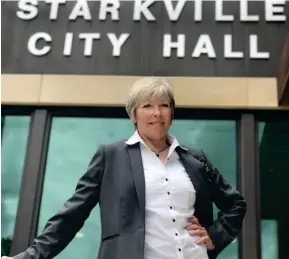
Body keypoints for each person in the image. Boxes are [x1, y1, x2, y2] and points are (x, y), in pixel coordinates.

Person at [3, 77, 246, 259]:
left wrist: (215, 236)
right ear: (133, 115)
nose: (157, 113)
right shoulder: (111, 156)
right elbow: (72, 215)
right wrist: (31, 256)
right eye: (147, 106)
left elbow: (236, 204)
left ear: (172, 114)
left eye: (164, 105)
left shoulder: (195, 159)